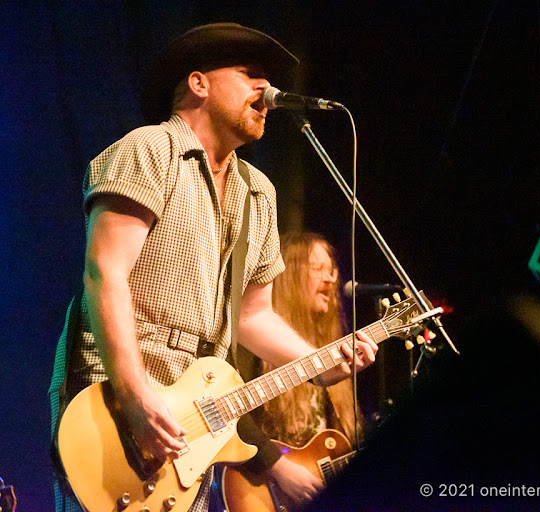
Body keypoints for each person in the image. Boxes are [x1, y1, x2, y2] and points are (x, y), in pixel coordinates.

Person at [48, 23, 377, 512]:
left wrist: (320, 360)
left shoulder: (257, 191)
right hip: (114, 396)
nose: (266, 90)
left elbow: (252, 316)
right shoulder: (150, 149)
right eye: (250, 75)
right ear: (199, 83)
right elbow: (105, 273)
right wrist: (137, 396)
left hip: (196, 422)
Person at [225, 231, 364, 507]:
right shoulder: (258, 347)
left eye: (333, 271)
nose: (329, 280)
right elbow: (228, 413)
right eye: (317, 269)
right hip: (256, 488)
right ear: (290, 277)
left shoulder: (328, 349)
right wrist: (278, 468)